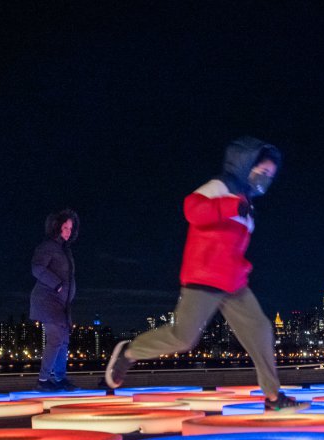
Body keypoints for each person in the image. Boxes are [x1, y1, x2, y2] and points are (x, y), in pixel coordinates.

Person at [105, 136, 301, 410]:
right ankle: (129, 352)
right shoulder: (221, 186)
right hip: (204, 277)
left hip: (233, 283)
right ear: (247, 165)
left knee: (260, 330)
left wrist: (242, 264)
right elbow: (192, 209)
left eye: (270, 175)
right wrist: (230, 205)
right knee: (183, 338)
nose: (266, 178)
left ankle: (272, 398)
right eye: (262, 171)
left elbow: (233, 247)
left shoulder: (248, 204)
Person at [30, 208, 80, 391]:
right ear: (57, 227)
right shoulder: (47, 246)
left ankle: (60, 378)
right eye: (65, 227)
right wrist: (57, 285)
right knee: (55, 339)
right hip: (47, 301)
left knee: (64, 340)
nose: (68, 231)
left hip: (62, 304)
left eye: (70, 228)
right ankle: (43, 380)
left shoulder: (65, 250)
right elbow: (37, 268)